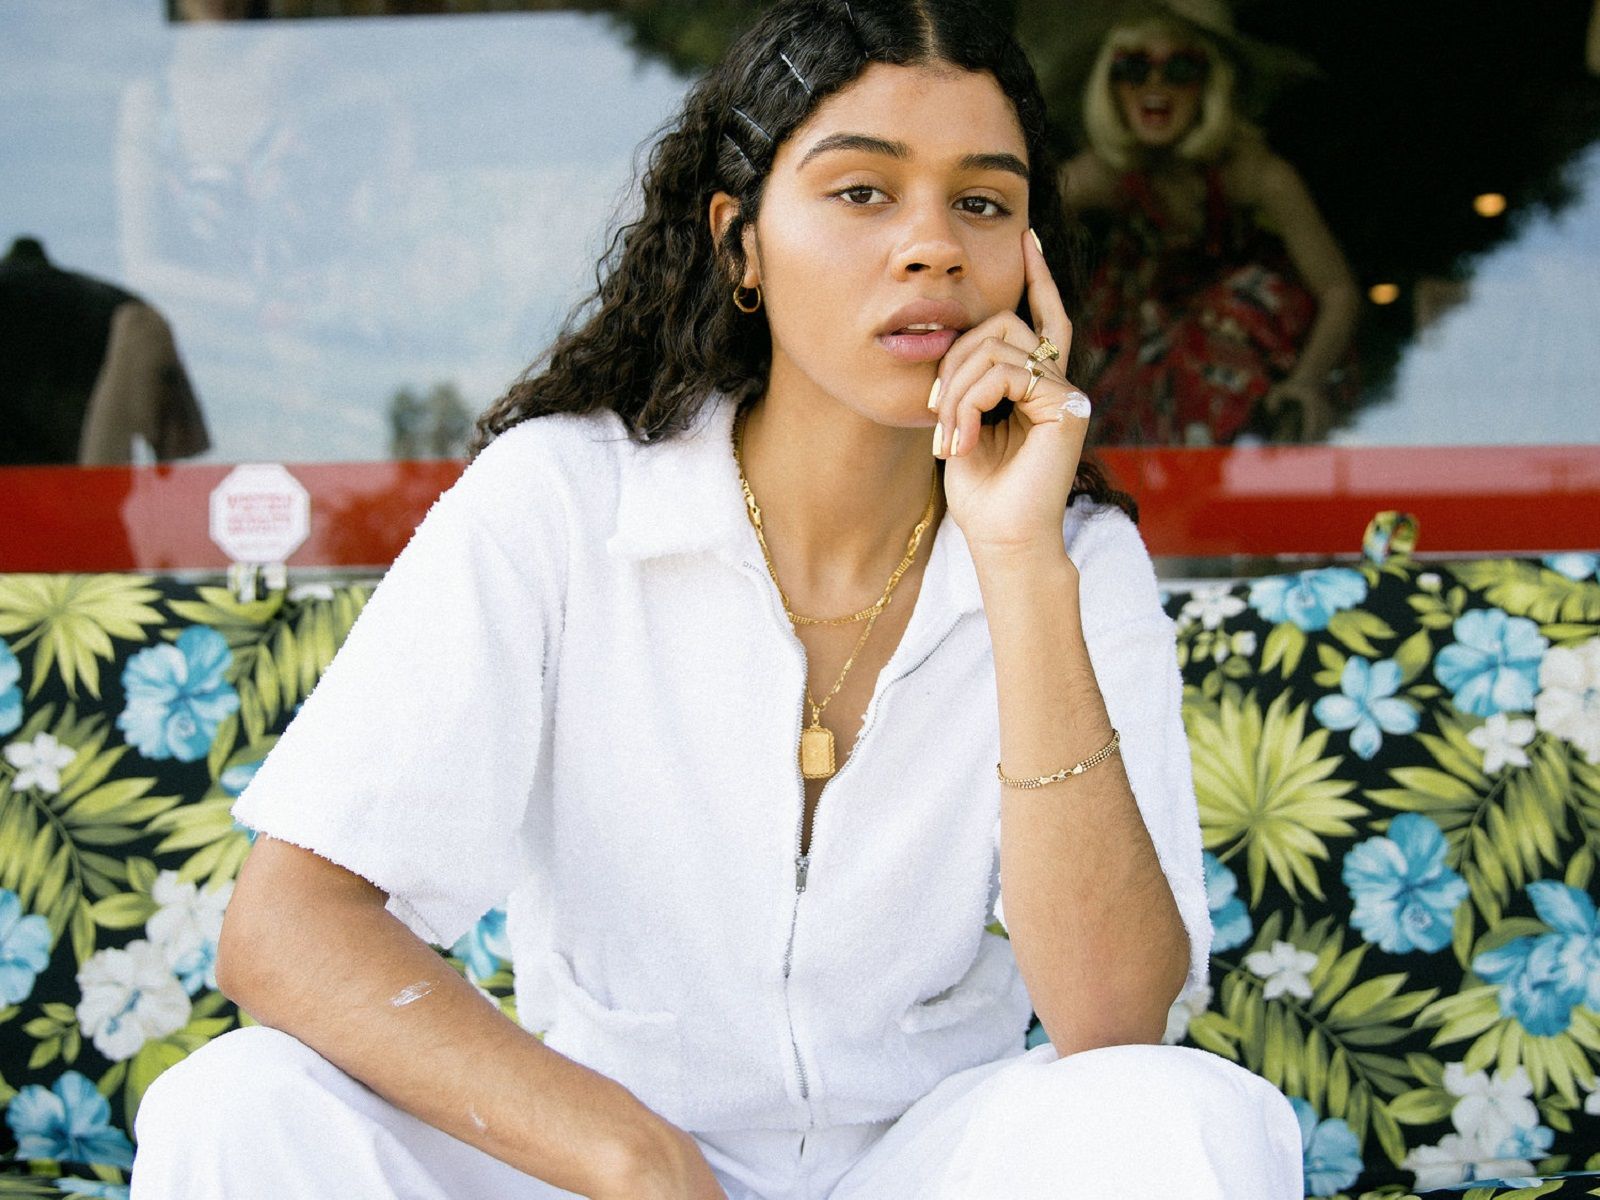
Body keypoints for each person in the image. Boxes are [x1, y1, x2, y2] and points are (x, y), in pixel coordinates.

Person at [131, 2, 1302, 1196]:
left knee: (1183, 1115)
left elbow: (1115, 1020)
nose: (932, 246)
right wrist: (634, 1158)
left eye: (983, 203)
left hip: (925, 1166)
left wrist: (1018, 561)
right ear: (740, 242)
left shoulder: (1072, 555)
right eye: (861, 192)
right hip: (595, 1172)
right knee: (234, 1104)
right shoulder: (563, 498)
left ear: (1028, 262)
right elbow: (286, 925)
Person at [1060, 0, 1360, 446]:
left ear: (1211, 84)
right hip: (1135, 343)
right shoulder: (1097, 176)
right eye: (1134, 68)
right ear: (1111, 85)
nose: (1155, 86)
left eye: (1180, 69)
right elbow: (1014, 245)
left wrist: (1306, 380)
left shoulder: (1256, 173)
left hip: (1241, 345)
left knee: (1231, 309)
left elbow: (1338, 291)